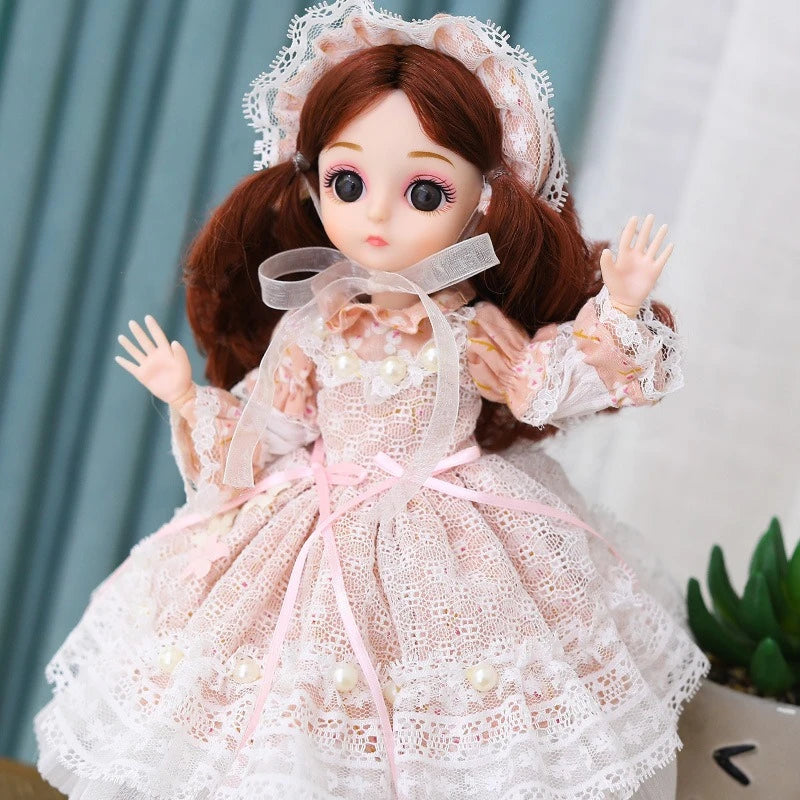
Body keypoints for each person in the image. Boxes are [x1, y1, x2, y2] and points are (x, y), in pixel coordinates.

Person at [34, 1, 708, 797]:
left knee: (457, 705)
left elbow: (544, 385)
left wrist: (619, 308)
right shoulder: (318, 323)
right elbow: (270, 432)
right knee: (288, 702)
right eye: (347, 183)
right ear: (312, 188)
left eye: (425, 191)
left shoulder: (467, 327)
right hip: (313, 522)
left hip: (455, 535)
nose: (378, 214)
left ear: (483, 200)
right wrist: (187, 397)